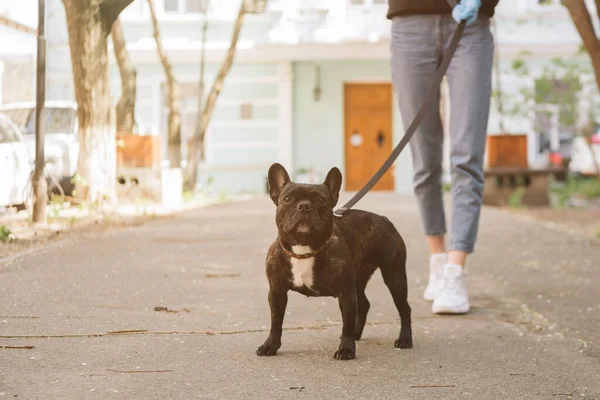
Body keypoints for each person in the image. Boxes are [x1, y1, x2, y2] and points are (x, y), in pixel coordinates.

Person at [387, 0, 499, 314]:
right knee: (424, 159)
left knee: (466, 158)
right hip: (409, 26)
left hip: (471, 26)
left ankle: (455, 270)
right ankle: (437, 259)